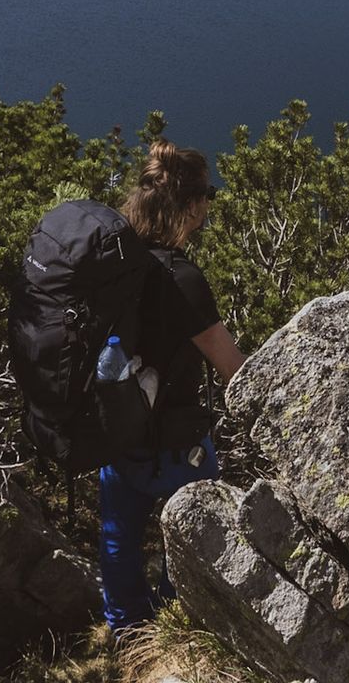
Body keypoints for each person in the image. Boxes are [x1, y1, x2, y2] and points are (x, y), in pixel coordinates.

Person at [98, 138, 246, 633]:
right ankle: (178, 624)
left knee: (119, 538)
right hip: (177, 441)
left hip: (116, 429)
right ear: (191, 206)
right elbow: (232, 367)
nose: (208, 207)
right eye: (206, 197)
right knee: (196, 533)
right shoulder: (183, 279)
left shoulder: (114, 261)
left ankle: (125, 632)